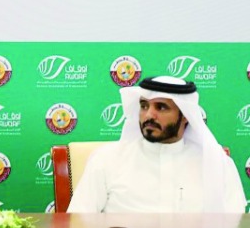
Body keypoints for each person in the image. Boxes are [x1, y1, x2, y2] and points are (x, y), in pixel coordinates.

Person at [68, 75, 246, 214]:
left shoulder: (217, 165)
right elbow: (78, 224)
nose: (148, 115)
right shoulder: (107, 159)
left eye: (161, 107)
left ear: (185, 115)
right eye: (144, 106)